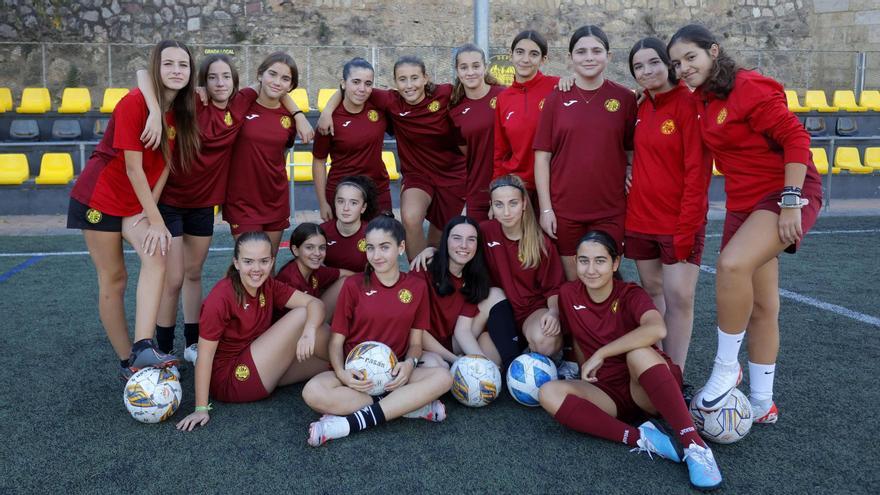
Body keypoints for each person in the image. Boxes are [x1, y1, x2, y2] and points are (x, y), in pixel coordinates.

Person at [668, 25, 822, 423]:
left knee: (731, 265)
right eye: (676, 63)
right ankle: (762, 401)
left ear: (713, 52)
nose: (683, 68)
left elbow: (796, 139)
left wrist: (791, 202)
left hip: (784, 192)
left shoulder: (748, 86)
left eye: (690, 58)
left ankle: (725, 368)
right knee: (763, 307)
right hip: (743, 204)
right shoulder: (699, 98)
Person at [137, 54, 313, 362]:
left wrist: (298, 114)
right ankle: (165, 347)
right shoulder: (200, 101)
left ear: (235, 82)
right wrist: (154, 109)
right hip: (201, 201)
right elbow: (144, 75)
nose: (220, 83)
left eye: (226, 78)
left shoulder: (240, 101)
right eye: (213, 78)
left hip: (217, 203)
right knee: (188, 275)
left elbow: (279, 91)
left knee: (258, 271)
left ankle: (244, 336)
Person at [538, 231, 722, 490]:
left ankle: (694, 445)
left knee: (639, 352)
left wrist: (602, 353)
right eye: (583, 261)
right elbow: (576, 336)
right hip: (607, 393)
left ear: (615, 263)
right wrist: (554, 315)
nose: (591, 269)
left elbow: (657, 329)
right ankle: (641, 438)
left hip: (646, 387)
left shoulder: (629, 293)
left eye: (600, 261)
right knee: (548, 392)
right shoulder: (569, 294)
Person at [67, 40, 199, 379]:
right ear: (156, 68)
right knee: (114, 279)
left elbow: (166, 164)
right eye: (167, 64)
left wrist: (149, 210)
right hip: (100, 197)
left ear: (190, 72)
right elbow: (132, 168)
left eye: (182, 65)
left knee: (157, 252)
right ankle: (127, 361)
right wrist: (155, 219)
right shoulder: (134, 103)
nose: (175, 71)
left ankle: (143, 348)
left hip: (134, 202)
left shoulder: (182, 110)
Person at [301, 215, 453, 446]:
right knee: (312, 392)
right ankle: (406, 406)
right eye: (370, 248)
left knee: (443, 377)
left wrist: (409, 364)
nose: (376, 255)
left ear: (401, 247)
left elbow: (415, 343)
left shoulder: (416, 287)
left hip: (394, 376)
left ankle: (346, 424)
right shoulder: (353, 285)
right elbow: (335, 340)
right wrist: (342, 374)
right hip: (356, 376)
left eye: (384, 247)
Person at [175, 231, 330, 431]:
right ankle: (351, 368)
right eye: (248, 262)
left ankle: (362, 372)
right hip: (231, 378)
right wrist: (201, 408)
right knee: (301, 316)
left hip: (261, 363)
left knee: (330, 362)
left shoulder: (269, 285)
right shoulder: (220, 298)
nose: (256, 269)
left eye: (264, 261)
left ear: (272, 261)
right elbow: (204, 355)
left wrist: (309, 332)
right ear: (236, 262)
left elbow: (315, 303)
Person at [319, 56, 466, 259]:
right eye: (402, 79)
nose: (409, 85)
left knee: (439, 240)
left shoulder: (445, 93)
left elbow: (476, 89)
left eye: (414, 78)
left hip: (452, 175)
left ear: (426, 78)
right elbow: (350, 87)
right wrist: (327, 111)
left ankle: (436, 278)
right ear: (395, 83)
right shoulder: (390, 101)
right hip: (418, 175)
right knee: (410, 217)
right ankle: (418, 279)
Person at [624, 37, 711, 371]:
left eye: (654, 62)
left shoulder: (689, 105)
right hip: (641, 218)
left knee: (680, 298)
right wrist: (625, 171)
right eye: (638, 66)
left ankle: (676, 374)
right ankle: (658, 370)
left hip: (678, 221)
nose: (647, 71)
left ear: (669, 64)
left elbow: (697, 173)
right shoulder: (640, 105)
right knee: (653, 290)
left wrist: (687, 227)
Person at [534, 25, 637, 280]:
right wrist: (546, 209)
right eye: (581, 52)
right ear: (570, 59)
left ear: (609, 56)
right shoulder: (556, 98)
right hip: (565, 209)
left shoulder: (625, 99)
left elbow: (631, 148)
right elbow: (542, 157)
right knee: (573, 281)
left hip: (610, 208)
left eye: (596, 50)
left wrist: (629, 169)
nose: (589, 57)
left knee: (604, 278)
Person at [225, 51, 311, 256]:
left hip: (275, 200)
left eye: (285, 78)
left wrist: (298, 115)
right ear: (260, 74)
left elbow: (282, 153)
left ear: (291, 86)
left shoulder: (289, 117)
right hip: (242, 201)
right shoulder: (242, 103)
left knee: (268, 264)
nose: (277, 82)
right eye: (272, 74)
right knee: (248, 264)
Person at [480, 175, 565, 364]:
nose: (507, 212)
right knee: (487, 361)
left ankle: (532, 349)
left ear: (524, 203)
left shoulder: (540, 242)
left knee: (545, 342)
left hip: (530, 312)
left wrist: (553, 313)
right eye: (499, 205)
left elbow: (554, 288)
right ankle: (517, 352)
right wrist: (432, 250)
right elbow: (458, 246)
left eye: (513, 203)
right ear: (491, 206)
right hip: (498, 314)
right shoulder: (484, 232)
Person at [407, 216, 512, 368]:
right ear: (446, 241)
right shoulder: (422, 270)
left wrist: (483, 364)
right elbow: (416, 332)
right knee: (438, 366)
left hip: (453, 342)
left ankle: (510, 365)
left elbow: (463, 330)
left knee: (495, 294)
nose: (464, 245)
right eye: (457, 238)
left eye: (471, 239)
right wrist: (456, 360)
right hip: (422, 346)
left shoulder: (473, 278)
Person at [312, 57, 392, 221]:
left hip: (378, 191)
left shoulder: (379, 107)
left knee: (382, 241)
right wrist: (322, 203)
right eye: (356, 82)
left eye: (368, 83)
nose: (362, 89)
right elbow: (319, 161)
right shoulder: (329, 119)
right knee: (348, 245)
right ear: (343, 83)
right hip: (342, 194)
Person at [493, 30, 559, 207]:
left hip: (553, 184)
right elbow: (500, 151)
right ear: (511, 55)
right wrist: (496, 196)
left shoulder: (558, 87)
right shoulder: (504, 98)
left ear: (543, 59)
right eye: (520, 52)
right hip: (518, 186)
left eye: (534, 54)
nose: (525, 59)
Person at [449, 44, 506, 221]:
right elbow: (468, 153)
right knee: (480, 245)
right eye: (464, 67)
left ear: (485, 67)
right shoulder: (455, 110)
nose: (470, 72)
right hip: (478, 191)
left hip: (508, 188)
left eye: (476, 66)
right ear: (457, 71)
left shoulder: (504, 96)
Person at [275, 222, 354, 321]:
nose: (317, 253)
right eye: (309, 247)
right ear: (295, 250)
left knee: (346, 281)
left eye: (322, 248)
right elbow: (296, 320)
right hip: (290, 331)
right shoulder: (289, 278)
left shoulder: (315, 271)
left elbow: (345, 274)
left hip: (312, 320)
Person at [320, 175, 378, 272]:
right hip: (328, 285)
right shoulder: (321, 232)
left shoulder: (373, 234)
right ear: (334, 203)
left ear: (363, 207)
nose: (346, 208)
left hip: (362, 285)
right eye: (340, 201)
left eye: (353, 203)